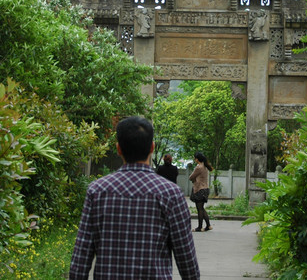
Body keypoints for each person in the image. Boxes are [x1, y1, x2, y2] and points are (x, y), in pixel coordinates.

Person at [69, 116, 200, 279]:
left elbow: (81, 258)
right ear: (152, 147)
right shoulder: (171, 194)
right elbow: (186, 259)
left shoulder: (97, 191)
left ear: (118, 149)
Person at [188, 152, 213, 232]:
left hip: (200, 189)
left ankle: (200, 227)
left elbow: (191, 177)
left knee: (199, 209)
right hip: (205, 189)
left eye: (195, 158)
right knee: (202, 208)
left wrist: (193, 179)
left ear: (197, 159)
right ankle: (208, 225)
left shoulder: (199, 167)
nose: (194, 159)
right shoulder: (205, 166)